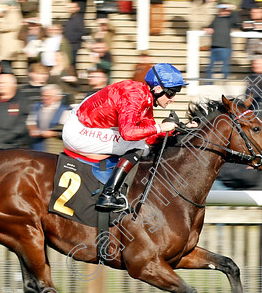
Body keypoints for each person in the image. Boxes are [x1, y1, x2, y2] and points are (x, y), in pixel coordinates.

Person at [62, 63, 188, 211]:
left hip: (86, 121)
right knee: (139, 145)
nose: (172, 99)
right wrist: (160, 127)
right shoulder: (134, 96)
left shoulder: (145, 98)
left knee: (143, 143)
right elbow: (128, 134)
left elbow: (150, 136)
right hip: (77, 131)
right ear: (158, 88)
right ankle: (108, 195)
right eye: (171, 93)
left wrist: (181, 129)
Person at [0, 73, 30, 156]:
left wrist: (7, 137)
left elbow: (23, 123)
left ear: (13, 84)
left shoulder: (23, 101)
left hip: (15, 146)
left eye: (2, 83)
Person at [28, 84, 70, 154]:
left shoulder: (65, 110)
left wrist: (53, 133)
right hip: (37, 146)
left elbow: (67, 132)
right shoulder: (36, 107)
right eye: (44, 96)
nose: (46, 98)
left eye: (49, 96)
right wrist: (33, 129)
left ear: (58, 97)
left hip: (55, 148)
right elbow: (30, 122)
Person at [204, 5, 233, 79]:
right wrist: (207, 29)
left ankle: (225, 84)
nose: (225, 11)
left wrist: (233, 10)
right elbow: (208, 26)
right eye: (223, 9)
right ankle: (208, 84)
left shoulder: (230, 19)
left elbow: (237, 22)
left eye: (227, 10)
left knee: (225, 68)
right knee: (210, 68)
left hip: (225, 47)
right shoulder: (216, 19)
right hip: (214, 46)